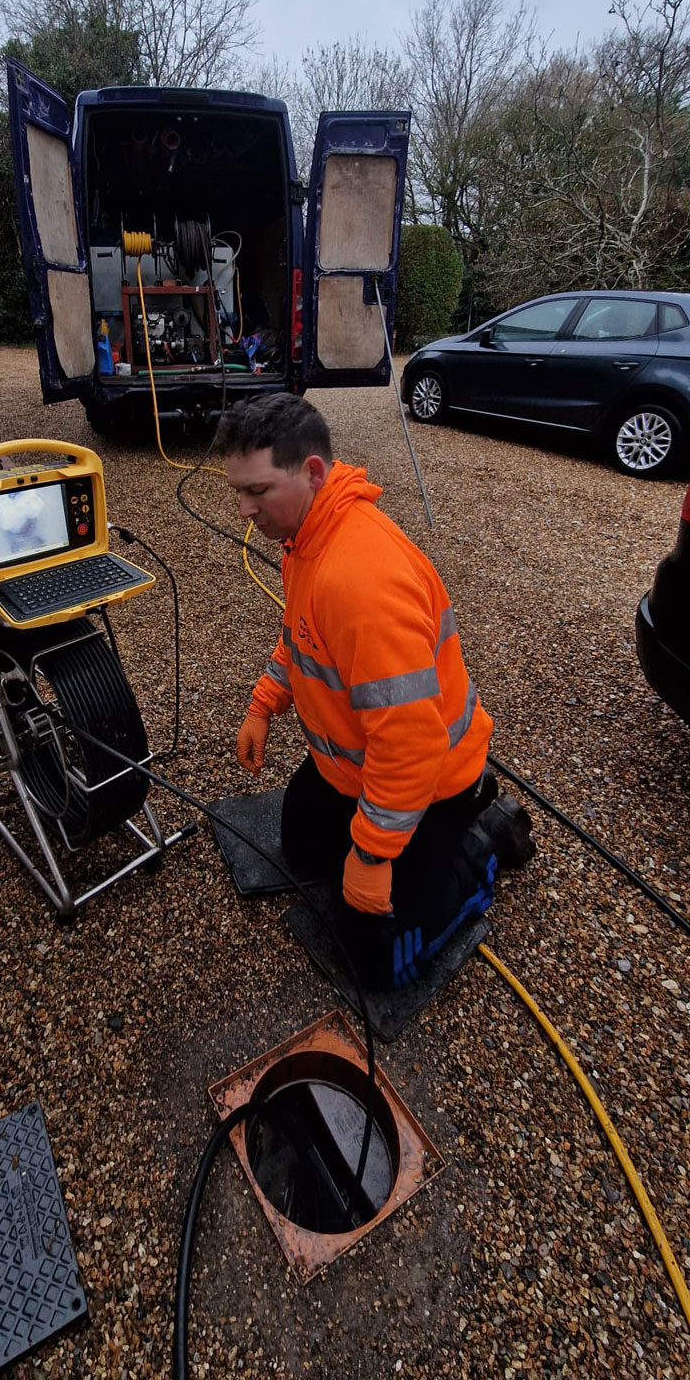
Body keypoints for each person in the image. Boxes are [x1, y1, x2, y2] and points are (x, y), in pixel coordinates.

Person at [216, 392, 500, 992]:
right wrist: (264, 704)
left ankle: (480, 844)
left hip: (431, 781)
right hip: (358, 766)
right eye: (238, 491)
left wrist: (372, 855)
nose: (244, 510)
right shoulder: (306, 537)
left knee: (378, 965)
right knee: (301, 849)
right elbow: (302, 637)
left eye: (258, 491)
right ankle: (402, 844)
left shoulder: (360, 581)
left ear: (313, 472)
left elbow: (411, 744)